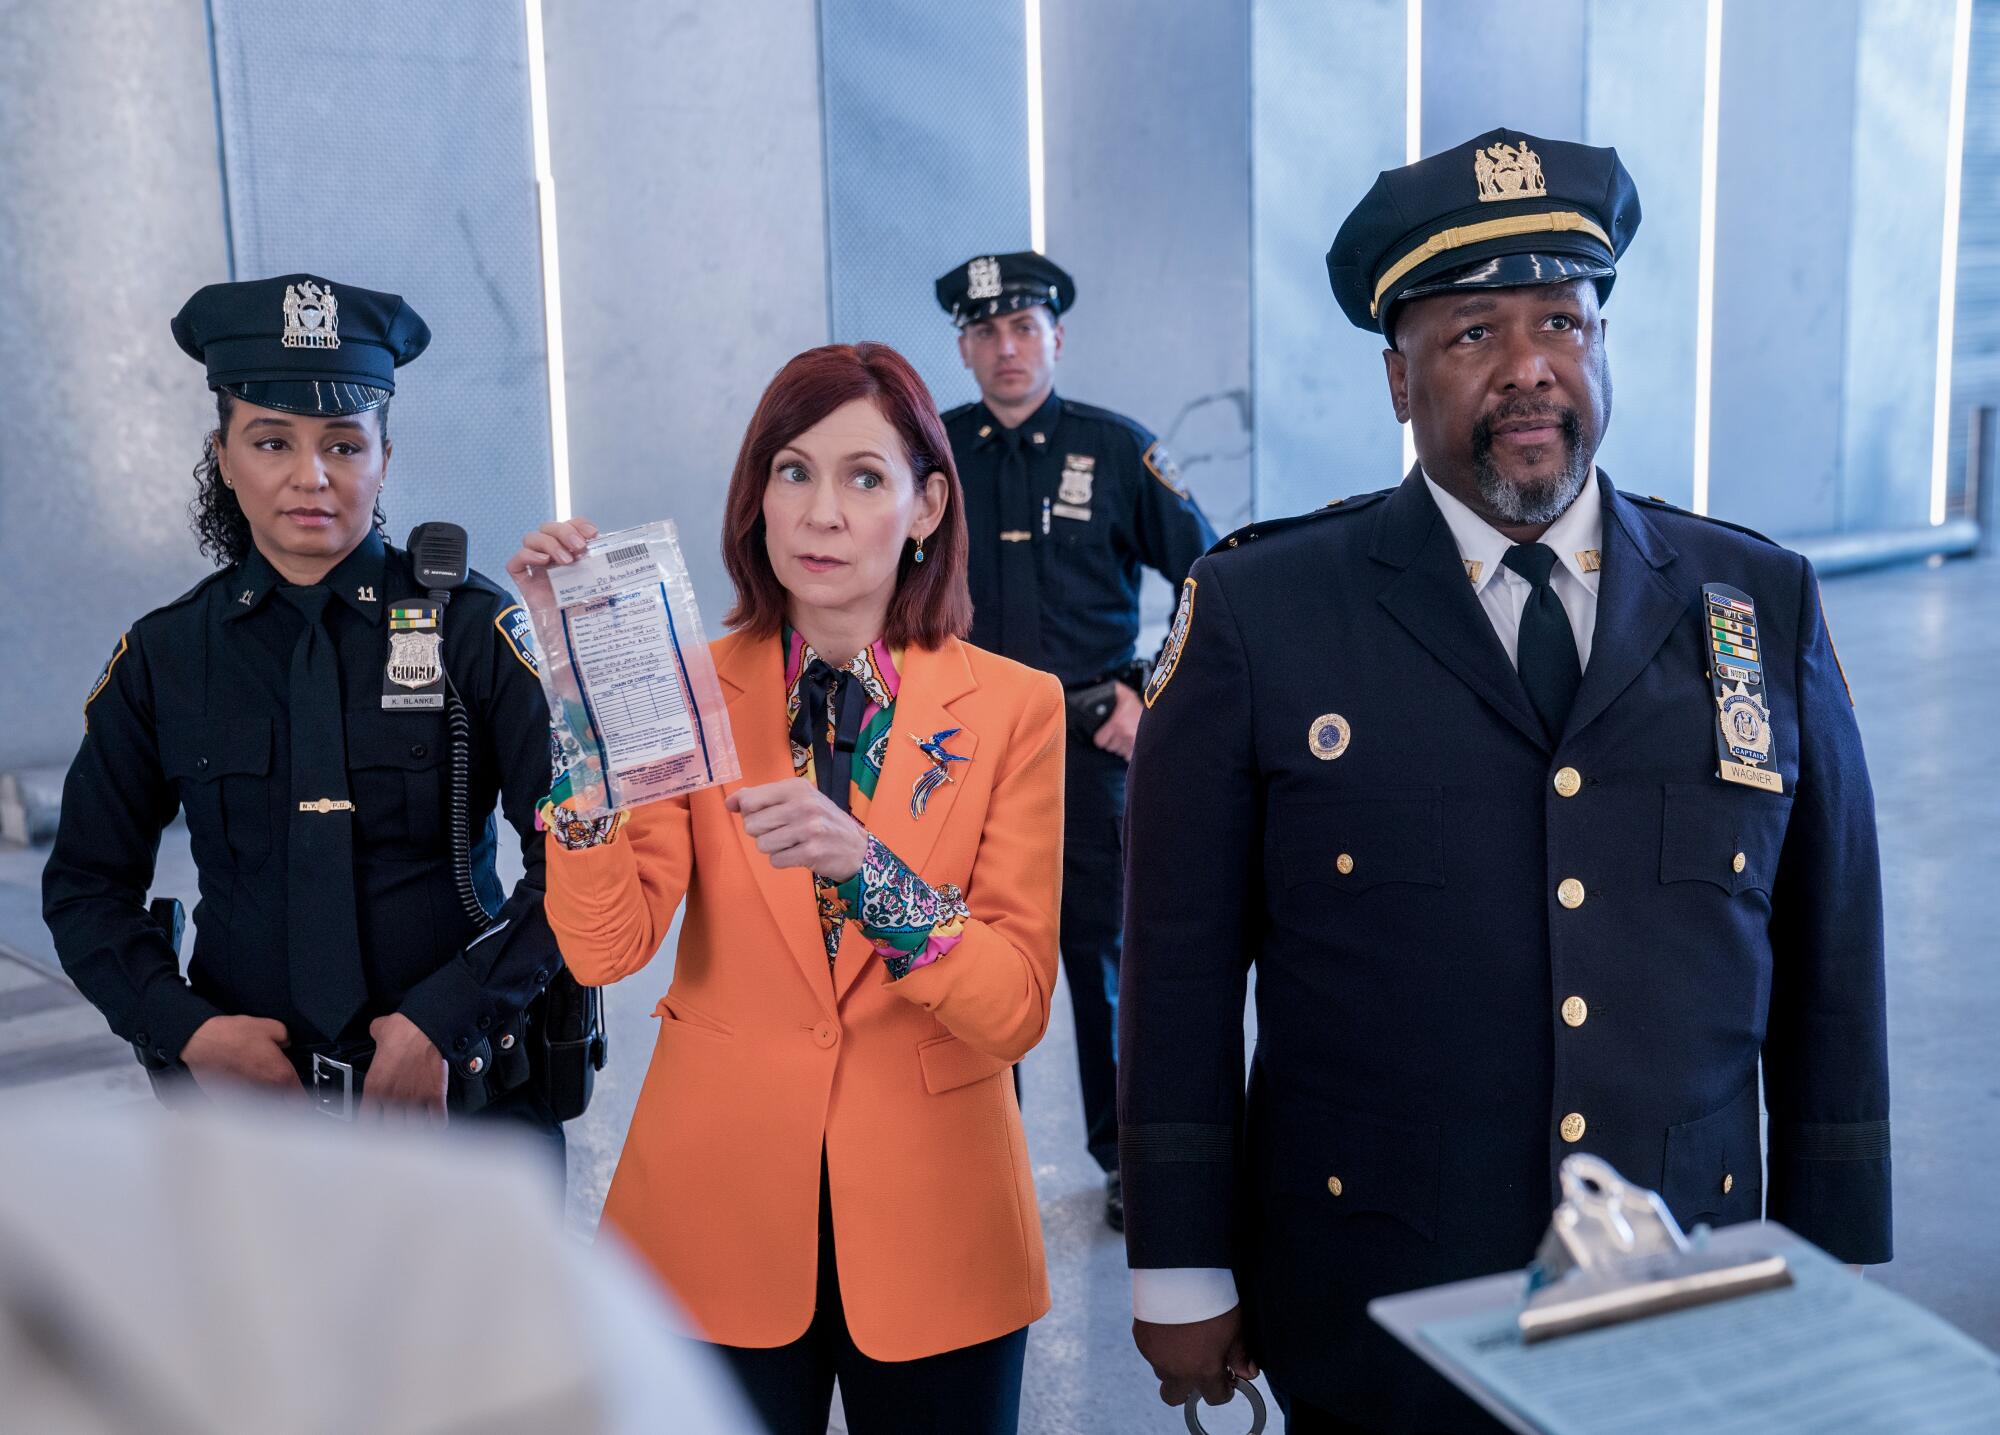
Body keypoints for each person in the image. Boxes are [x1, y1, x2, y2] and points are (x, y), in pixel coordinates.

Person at [1118, 129, 1891, 1433]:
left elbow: (1833, 957)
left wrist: (1837, 1249)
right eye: (1474, 331)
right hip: (1378, 1284)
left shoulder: (1753, 599)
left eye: (1563, 321)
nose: (1531, 365)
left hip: (1686, 1276)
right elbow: (1182, 969)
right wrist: (1182, 1262)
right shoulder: (1264, 611)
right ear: (1396, 377)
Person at [517, 342, 1064, 1435]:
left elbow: (1011, 1006)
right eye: (792, 471)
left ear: (925, 507)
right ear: (756, 495)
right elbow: (605, 947)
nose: (821, 512)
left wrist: (870, 870)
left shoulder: (1015, 707)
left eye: (865, 477)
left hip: (937, 1223)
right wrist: (579, 708)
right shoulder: (688, 685)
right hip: (709, 1216)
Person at [43, 274, 567, 1147]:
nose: (309, 477)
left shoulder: (475, 632)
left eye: (344, 446)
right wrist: (187, 1028)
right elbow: (86, 886)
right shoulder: (167, 656)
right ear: (223, 456)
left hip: (466, 1120)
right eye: (272, 442)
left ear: (385, 458)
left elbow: (580, 868)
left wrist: (447, 1017)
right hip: (251, 1138)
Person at [934, 250, 1217, 1229]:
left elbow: (1208, 586)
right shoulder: (932, 455)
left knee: (1102, 964)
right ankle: (975, 1152)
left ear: (1056, 336)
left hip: (1087, 747)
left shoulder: (1115, 450)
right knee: (955, 951)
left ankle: (1124, 1162)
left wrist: (1148, 697)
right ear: (964, 349)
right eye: (985, 332)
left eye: (1024, 328)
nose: (1006, 348)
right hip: (958, 752)